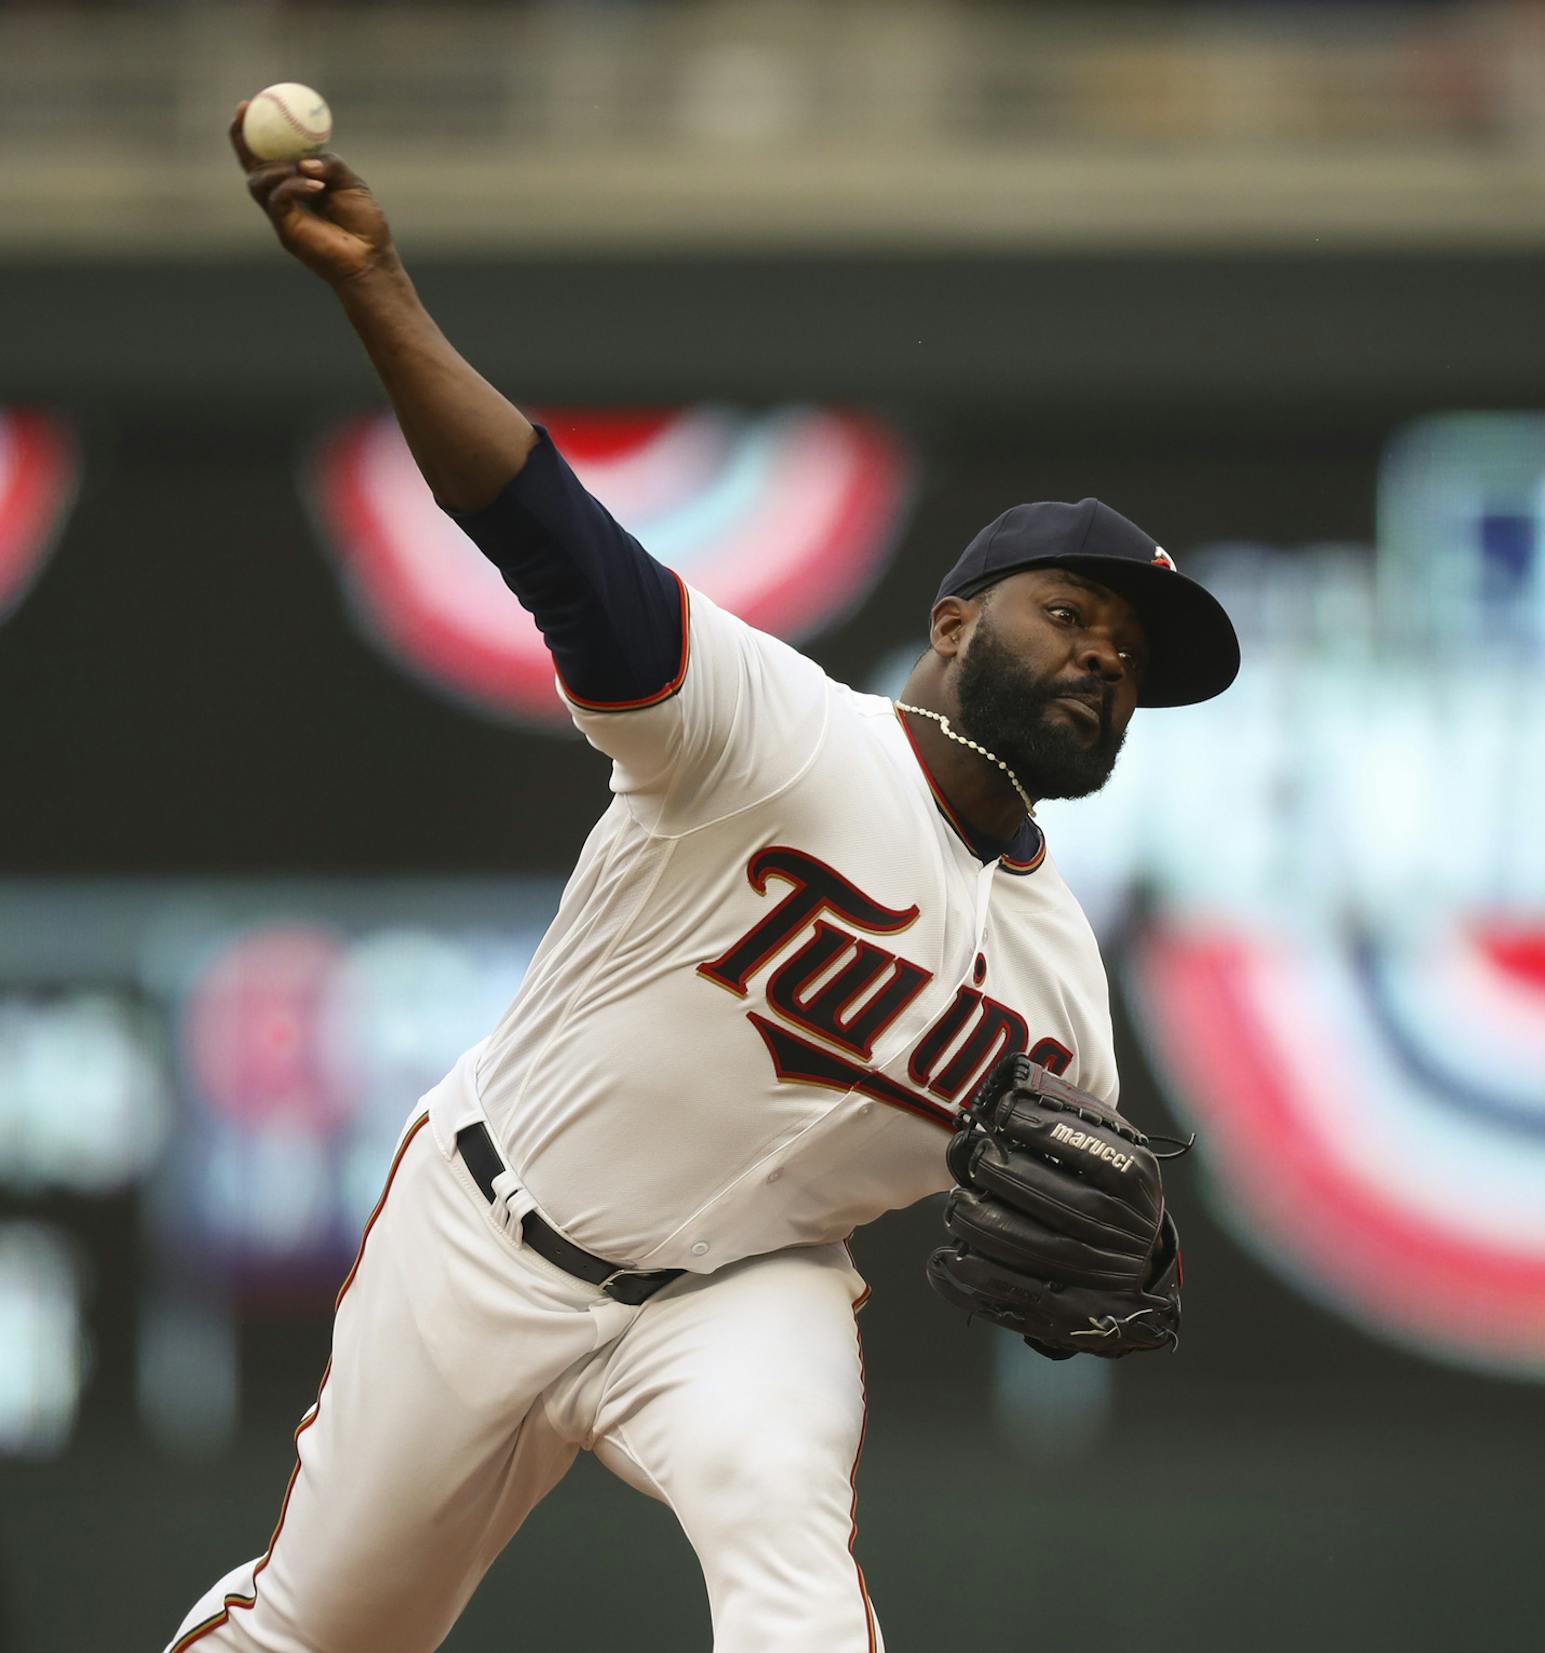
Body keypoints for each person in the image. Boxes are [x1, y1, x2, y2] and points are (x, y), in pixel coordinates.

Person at [165, 106, 1240, 1653]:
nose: (1103, 658)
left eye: (1130, 656)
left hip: (739, 1296)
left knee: (788, 1558)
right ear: (952, 624)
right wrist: (377, 288)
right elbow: (545, 527)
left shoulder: (1061, 990)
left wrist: (1142, 1260)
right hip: (490, 1223)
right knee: (319, 1634)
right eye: (1073, 613)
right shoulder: (772, 729)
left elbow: (1089, 1235)